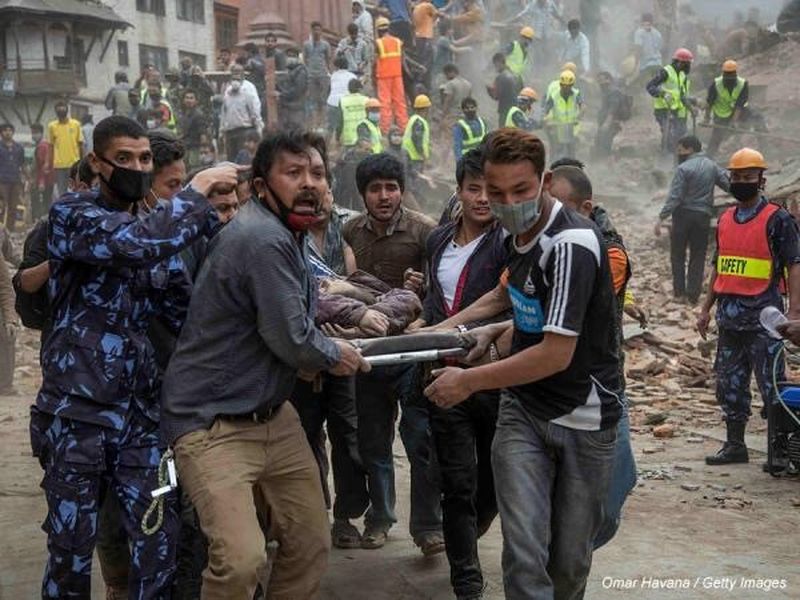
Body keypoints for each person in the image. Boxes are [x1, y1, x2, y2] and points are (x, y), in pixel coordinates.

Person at [29, 116, 240, 599]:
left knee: (158, 546)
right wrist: (199, 187)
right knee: (69, 552)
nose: (137, 167)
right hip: (75, 418)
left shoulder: (156, 232)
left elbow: (189, 316)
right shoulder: (72, 215)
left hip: (140, 420)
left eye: (144, 158)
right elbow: (132, 245)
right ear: (96, 164)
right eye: (123, 159)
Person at [161, 131, 369, 600]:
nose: (309, 183)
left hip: (275, 416)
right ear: (259, 186)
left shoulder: (291, 235)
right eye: (293, 173)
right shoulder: (261, 238)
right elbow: (292, 339)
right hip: (212, 425)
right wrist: (337, 355)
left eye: (316, 173)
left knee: (311, 543)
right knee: (240, 560)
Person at [423, 129, 621, 599]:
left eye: (520, 191)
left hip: (583, 417)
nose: (507, 203)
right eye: (496, 193)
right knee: (524, 554)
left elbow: (556, 353)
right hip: (523, 414)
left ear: (545, 182)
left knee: (568, 563)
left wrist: (468, 380)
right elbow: (519, 306)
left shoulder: (571, 243)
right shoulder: (514, 236)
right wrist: (487, 332)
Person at [342, 153, 443, 554]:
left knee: (419, 438)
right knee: (373, 442)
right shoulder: (350, 232)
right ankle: (380, 519)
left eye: (392, 187)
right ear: (363, 194)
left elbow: (442, 290)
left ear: (402, 190)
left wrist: (420, 294)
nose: (384, 196)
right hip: (368, 353)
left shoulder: (426, 232)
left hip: (412, 352)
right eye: (375, 188)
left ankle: (428, 528)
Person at [423, 149, 507, 599]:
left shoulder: (508, 243)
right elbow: (433, 302)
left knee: (495, 479)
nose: (482, 199)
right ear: (458, 192)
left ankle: (471, 529)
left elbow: (505, 300)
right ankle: (467, 581)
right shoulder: (437, 241)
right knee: (457, 481)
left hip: (494, 377)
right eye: (473, 189)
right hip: (443, 377)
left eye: (490, 190)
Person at [547, 163, 640, 548]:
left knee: (613, 486)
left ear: (585, 207)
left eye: (560, 206)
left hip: (598, 385)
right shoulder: (533, 241)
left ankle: (574, 552)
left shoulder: (609, 251)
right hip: (543, 388)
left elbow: (571, 308)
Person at [697, 148, 800, 467]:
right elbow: (720, 266)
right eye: (736, 177)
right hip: (729, 321)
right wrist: (705, 308)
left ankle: (781, 452)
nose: (741, 182)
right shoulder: (726, 218)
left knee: (773, 388)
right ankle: (734, 445)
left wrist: (795, 313)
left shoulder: (778, 219)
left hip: (764, 321)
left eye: (748, 177)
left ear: (761, 179)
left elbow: (795, 265)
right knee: (729, 386)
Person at [655, 135, 730, 304]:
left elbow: (675, 197)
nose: (678, 153)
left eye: (680, 150)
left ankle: (679, 293)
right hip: (703, 216)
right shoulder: (712, 166)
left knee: (677, 254)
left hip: (682, 216)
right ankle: (693, 295)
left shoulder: (683, 168)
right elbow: (728, 184)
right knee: (698, 255)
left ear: (689, 149)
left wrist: (662, 217)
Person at [703, 60, 767, 158]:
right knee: (717, 136)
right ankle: (709, 157)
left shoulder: (743, 84)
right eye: (727, 74)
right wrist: (706, 118)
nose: (729, 77)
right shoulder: (716, 84)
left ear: (735, 73)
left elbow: (740, 104)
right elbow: (709, 103)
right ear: (723, 73)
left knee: (757, 118)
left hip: (739, 112)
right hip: (721, 114)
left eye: (731, 74)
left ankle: (765, 149)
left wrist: (734, 121)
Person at [647, 47, 694, 155]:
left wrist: (690, 107)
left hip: (675, 109)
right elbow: (650, 86)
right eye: (687, 64)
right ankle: (666, 156)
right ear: (680, 62)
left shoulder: (682, 75)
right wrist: (662, 94)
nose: (689, 66)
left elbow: (681, 95)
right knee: (668, 133)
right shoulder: (665, 72)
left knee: (679, 133)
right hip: (663, 109)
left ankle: (675, 157)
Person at [374, 17, 408, 134]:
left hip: (384, 77)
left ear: (378, 30)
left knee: (385, 103)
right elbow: (402, 60)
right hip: (397, 76)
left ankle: (385, 129)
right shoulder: (398, 42)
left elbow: (374, 61)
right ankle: (403, 127)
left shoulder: (378, 43)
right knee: (400, 102)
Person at [221, 67, 263, 161]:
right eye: (234, 73)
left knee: (243, 159)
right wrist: (222, 129)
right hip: (230, 131)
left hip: (244, 131)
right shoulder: (228, 90)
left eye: (238, 73)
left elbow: (255, 108)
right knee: (231, 160)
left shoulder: (249, 88)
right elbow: (224, 110)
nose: (236, 75)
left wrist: (258, 126)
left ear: (243, 74)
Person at [543, 70, 583, 159]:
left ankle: (573, 166)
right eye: (563, 86)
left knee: (571, 150)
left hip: (572, 126)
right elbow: (546, 108)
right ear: (560, 84)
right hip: (557, 126)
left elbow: (582, 106)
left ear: (572, 85)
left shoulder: (576, 93)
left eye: (568, 86)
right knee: (556, 149)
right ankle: (553, 166)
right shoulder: (554, 95)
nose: (566, 88)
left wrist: (580, 115)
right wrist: (545, 119)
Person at [47, 100, 84, 197]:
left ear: (67, 111)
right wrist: (48, 162)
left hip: (74, 163)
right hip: (59, 165)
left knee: (75, 190)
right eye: (58, 110)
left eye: (63, 109)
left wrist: (82, 162)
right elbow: (50, 146)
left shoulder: (76, 124)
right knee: (62, 192)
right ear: (56, 112)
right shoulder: (52, 126)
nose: (61, 111)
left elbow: (80, 144)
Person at [304, 21, 333, 130]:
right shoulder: (306, 44)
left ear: (321, 31)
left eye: (318, 29)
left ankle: (323, 124)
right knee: (313, 100)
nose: (316, 31)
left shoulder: (326, 45)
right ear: (311, 30)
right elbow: (305, 59)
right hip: (311, 75)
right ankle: (314, 124)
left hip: (323, 75)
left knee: (323, 100)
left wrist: (329, 73)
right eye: (314, 29)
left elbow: (328, 59)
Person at [594, 71, 628, 157]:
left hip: (611, 123)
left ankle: (606, 164)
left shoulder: (613, 92)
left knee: (604, 144)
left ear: (608, 80)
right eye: (598, 80)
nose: (600, 83)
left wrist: (607, 123)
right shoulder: (606, 92)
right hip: (606, 123)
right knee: (599, 142)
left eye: (602, 80)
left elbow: (613, 109)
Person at [0, 122, 26, 230]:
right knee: (1, 206)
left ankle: (10, 229)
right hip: (2, 180)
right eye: (5, 130)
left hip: (15, 180)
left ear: (13, 132)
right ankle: (1, 228)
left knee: (13, 206)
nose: (7, 133)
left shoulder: (18, 147)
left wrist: (27, 177)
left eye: (10, 130)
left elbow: (22, 164)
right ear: (1, 133)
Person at [277, 47, 310, 131]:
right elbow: (285, 86)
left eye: (293, 56)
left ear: (297, 57)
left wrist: (281, 94)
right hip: (287, 108)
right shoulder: (289, 71)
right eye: (288, 56)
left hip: (296, 108)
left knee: (296, 133)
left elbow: (297, 90)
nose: (290, 58)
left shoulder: (301, 72)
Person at [488, 53, 522, 128]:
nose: (495, 68)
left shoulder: (500, 77)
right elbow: (522, 94)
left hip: (505, 112)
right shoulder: (518, 76)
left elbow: (495, 96)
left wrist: (489, 89)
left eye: (495, 65)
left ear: (499, 62)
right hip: (517, 111)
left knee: (504, 135)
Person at [30, 123, 55, 221]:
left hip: (44, 180)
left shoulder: (42, 146)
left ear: (41, 133)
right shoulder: (46, 145)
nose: (33, 135)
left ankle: (40, 223)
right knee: (46, 201)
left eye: (36, 133)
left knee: (41, 203)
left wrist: (41, 181)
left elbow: (44, 166)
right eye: (32, 133)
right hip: (48, 180)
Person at [402, 94, 432, 174]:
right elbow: (417, 140)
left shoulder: (413, 119)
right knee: (416, 180)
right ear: (426, 109)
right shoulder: (419, 122)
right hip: (414, 157)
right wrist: (424, 156)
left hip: (409, 156)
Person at [178, 89, 207, 170]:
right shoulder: (184, 114)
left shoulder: (198, 114)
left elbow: (203, 134)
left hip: (194, 147)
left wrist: (203, 148)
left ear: (196, 101)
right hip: (185, 146)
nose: (189, 100)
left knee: (193, 169)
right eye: (187, 98)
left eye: (191, 98)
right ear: (183, 100)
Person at [339, 78, 369, 149]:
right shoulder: (366, 100)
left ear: (348, 89)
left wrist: (338, 136)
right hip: (363, 136)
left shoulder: (342, 101)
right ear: (360, 89)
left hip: (348, 137)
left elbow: (340, 121)